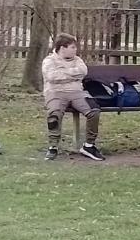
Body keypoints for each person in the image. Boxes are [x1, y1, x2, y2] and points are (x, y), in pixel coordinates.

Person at [42, 33, 104, 161]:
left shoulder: (78, 60)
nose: (75, 50)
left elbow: (83, 71)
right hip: (55, 92)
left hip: (77, 92)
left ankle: (89, 146)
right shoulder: (49, 61)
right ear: (62, 48)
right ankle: (53, 146)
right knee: (54, 114)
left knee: (94, 111)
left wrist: (63, 73)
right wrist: (73, 75)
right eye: (72, 47)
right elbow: (52, 77)